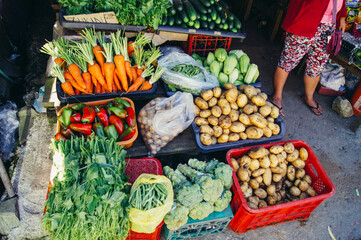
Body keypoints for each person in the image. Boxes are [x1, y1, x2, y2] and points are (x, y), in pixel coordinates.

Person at [269, 0, 347, 116]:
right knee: (289, 60)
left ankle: (309, 97)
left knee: (317, 65)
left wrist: (342, 16)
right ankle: (276, 96)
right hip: (306, 18)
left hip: (329, 26)